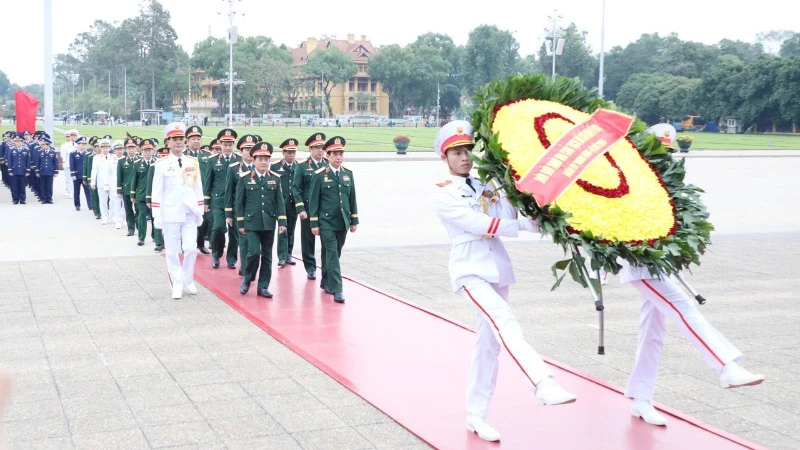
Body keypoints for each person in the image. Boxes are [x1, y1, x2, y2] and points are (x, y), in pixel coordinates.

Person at [432, 120, 576, 442]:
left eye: (468, 150)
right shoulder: (443, 194)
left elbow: (513, 216)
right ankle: (542, 382)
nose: (465, 157)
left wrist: (546, 218)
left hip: (496, 267)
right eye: (457, 152)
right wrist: (519, 225)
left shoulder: (489, 183)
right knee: (504, 321)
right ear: (445, 158)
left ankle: (476, 414)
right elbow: (479, 223)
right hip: (470, 269)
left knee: (489, 345)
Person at [620, 261, 765, 426]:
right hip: (640, 264)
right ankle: (726, 367)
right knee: (684, 309)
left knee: (652, 331)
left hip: (658, 260)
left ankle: (641, 396)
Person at [151, 123, 205, 299]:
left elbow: (198, 187)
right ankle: (176, 284)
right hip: (170, 213)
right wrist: (157, 215)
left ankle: (187, 280)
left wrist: (200, 210)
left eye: (181, 139)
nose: (178, 142)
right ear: (168, 142)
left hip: (189, 212)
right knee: (172, 251)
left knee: (190, 248)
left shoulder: (192, 162)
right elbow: (156, 191)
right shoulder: (162, 164)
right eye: (175, 139)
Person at [308, 136, 358, 304]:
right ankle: (337, 288)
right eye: (335, 154)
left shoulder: (347, 174)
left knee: (336, 252)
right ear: (327, 156)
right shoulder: (320, 175)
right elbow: (313, 200)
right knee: (332, 253)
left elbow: (352, 198)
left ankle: (325, 280)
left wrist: (354, 220)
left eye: (341, 154)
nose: (338, 157)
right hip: (326, 222)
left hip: (342, 221)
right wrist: (314, 223)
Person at [235, 141, 287, 297]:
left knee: (267, 255)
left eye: (266, 159)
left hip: (269, 223)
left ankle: (263, 286)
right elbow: (239, 202)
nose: (264, 162)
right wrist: (241, 223)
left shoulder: (275, 178)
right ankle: (248, 278)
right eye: (260, 159)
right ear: (254, 160)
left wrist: (282, 222)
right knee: (253, 252)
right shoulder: (244, 178)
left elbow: (279, 202)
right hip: (251, 223)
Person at [204, 128, 242, 269]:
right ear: (219, 144)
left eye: (230, 144)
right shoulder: (213, 160)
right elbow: (208, 181)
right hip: (218, 201)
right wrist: (206, 201)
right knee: (218, 228)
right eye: (225, 144)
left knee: (235, 231)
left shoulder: (239, 160)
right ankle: (216, 254)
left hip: (235, 202)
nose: (227, 147)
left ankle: (232, 258)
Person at [293, 132, 328, 280]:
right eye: (317, 148)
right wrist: (300, 209)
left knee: (327, 239)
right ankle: (310, 267)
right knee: (308, 240)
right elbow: (296, 188)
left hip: (325, 210)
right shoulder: (301, 166)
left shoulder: (328, 164)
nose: (320, 150)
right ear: (310, 149)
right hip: (307, 209)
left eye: (322, 147)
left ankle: (327, 268)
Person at [225, 135, 258, 277]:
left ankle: (249, 267)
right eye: (246, 149)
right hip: (239, 211)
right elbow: (228, 192)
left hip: (256, 212)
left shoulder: (260, 168)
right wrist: (228, 214)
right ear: (241, 151)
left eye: (252, 149)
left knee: (254, 244)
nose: (249, 152)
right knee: (243, 241)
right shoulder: (233, 168)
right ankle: (245, 269)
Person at [272, 138, 300, 267]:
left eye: (293, 152)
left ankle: (289, 254)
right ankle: (281, 256)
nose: (291, 155)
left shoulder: (298, 167)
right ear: (283, 153)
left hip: (293, 204)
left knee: (291, 230)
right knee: (282, 230)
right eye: (289, 152)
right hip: (281, 204)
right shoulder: (276, 167)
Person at [130, 140, 156, 246]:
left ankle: (156, 237)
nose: (147, 152)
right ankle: (141, 238)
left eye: (149, 150)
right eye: (145, 150)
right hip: (141, 194)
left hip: (155, 194)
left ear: (153, 150)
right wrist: (132, 194)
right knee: (141, 217)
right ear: (141, 151)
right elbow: (134, 180)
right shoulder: (137, 164)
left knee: (155, 217)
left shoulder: (158, 162)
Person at [90, 139, 117, 225]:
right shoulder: (96, 157)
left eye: (107, 147)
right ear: (100, 148)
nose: (105, 149)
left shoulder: (114, 157)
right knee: (102, 201)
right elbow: (94, 170)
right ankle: (104, 216)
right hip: (101, 182)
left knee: (112, 200)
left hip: (111, 183)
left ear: (110, 148)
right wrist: (93, 182)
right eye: (103, 147)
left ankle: (112, 215)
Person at [117, 138, 140, 236]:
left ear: (136, 148)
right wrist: (119, 190)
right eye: (129, 148)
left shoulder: (140, 160)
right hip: (126, 189)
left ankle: (139, 226)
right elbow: (119, 176)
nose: (131, 150)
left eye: (133, 148)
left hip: (138, 189)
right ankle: (131, 228)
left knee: (139, 209)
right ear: (126, 149)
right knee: (128, 210)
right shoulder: (121, 161)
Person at [7, 132, 31, 204]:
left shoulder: (26, 150)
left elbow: (28, 161)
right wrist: (10, 170)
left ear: (22, 142)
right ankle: (15, 199)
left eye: (19, 141)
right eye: (16, 141)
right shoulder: (11, 150)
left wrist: (28, 171)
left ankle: (22, 199)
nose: (18, 143)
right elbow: (10, 160)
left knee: (22, 186)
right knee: (14, 186)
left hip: (23, 170)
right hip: (14, 171)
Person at [35, 135, 59, 204]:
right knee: (42, 186)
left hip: (50, 171)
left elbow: (55, 163)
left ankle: (49, 198)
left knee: (49, 186)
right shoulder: (39, 152)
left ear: (47, 145)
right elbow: (37, 162)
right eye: (42, 145)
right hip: (42, 171)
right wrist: (37, 171)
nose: (42, 146)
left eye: (43, 145)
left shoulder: (53, 152)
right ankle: (43, 198)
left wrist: (56, 172)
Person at [70, 136, 90, 211]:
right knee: (76, 191)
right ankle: (77, 205)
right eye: (81, 144)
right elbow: (72, 165)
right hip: (77, 175)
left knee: (87, 191)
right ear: (78, 145)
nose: (83, 146)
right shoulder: (73, 154)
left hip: (85, 176)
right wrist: (72, 174)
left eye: (84, 144)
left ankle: (90, 204)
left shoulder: (87, 154)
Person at [60, 129, 77, 198]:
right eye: (71, 135)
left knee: (74, 179)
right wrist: (65, 162)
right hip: (68, 164)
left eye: (74, 136)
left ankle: (72, 191)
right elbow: (63, 155)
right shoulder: (64, 145)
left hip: (76, 165)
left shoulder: (77, 145)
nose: (72, 137)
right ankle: (70, 192)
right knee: (69, 179)